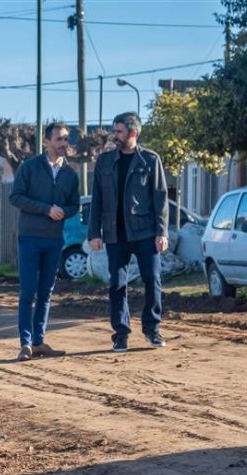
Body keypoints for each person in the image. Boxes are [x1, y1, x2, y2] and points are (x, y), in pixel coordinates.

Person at [88, 111, 170, 352]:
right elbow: (97, 200)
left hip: (145, 233)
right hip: (115, 234)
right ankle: (121, 333)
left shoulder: (151, 160)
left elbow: (160, 198)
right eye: (114, 131)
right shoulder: (104, 161)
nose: (114, 135)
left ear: (132, 133)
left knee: (152, 280)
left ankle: (152, 329)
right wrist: (94, 233)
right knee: (117, 284)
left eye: (119, 131)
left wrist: (162, 232)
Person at [9, 122, 80, 361]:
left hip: (54, 240)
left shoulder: (70, 174)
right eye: (59, 139)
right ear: (46, 141)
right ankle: (26, 344)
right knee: (28, 291)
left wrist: (63, 211)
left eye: (66, 140)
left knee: (46, 292)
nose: (63, 144)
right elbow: (16, 197)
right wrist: (45, 209)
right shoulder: (29, 167)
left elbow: (74, 205)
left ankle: (39, 342)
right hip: (29, 238)